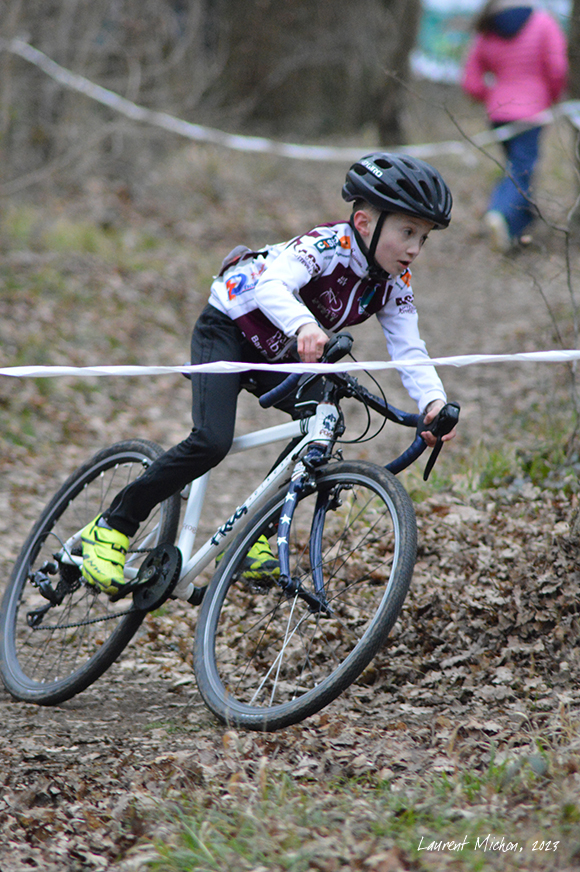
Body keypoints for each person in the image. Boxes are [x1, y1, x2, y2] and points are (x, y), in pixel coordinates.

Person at [81, 152, 457, 596]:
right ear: (363, 223)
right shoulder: (325, 246)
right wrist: (304, 325)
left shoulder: (395, 283)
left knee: (324, 422)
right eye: (407, 232)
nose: (415, 247)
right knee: (211, 441)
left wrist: (432, 403)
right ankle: (111, 526)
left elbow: (409, 347)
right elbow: (272, 284)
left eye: (423, 238)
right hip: (229, 328)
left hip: (280, 352)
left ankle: (254, 536)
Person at [461, 0, 568, 252]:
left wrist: (492, 94)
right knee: (521, 170)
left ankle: (517, 229)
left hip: (499, 112)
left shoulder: (487, 27)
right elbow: (558, 68)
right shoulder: (544, 23)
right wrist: (549, 97)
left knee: (517, 167)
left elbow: (470, 81)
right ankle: (499, 214)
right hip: (532, 110)